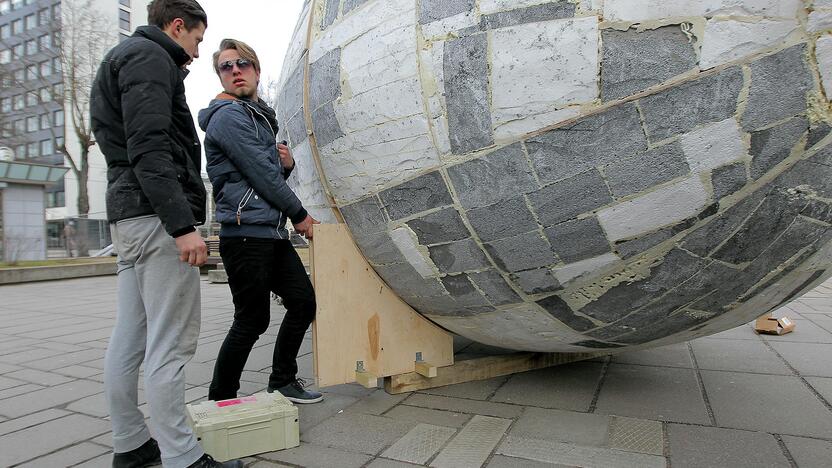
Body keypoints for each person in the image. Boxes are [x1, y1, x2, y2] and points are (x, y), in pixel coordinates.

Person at [90, 1, 243, 467]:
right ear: (178, 26)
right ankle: (181, 455)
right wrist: (181, 226)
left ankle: (131, 445)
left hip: (129, 215)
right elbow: (150, 146)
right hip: (156, 217)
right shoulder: (151, 58)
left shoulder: (121, 57)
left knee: (131, 336)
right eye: (197, 40)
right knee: (170, 342)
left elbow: (120, 141)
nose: (196, 54)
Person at [198, 38, 322, 405]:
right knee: (251, 321)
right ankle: (221, 399)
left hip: (269, 233)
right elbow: (260, 177)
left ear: (256, 69)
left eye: (242, 64)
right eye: (226, 67)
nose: (235, 71)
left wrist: (285, 166)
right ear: (220, 76)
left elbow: (264, 179)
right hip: (245, 237)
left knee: (303, 302)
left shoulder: (257, 116)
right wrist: (299, 214)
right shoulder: (229, 117)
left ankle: (282, 380)